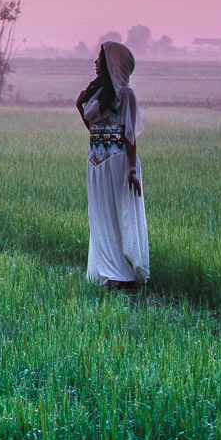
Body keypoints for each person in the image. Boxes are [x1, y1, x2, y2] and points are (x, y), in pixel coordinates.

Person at [78, 40, 148, 289]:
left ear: (111, 63)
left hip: (117, 162)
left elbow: (129, 135)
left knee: (118, 217)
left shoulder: (126, 95)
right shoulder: (99, 93)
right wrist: (80, 103)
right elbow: (93, 128)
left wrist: (132, 170)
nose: (96, 62)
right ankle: (106, 271)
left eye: (100, 58)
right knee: (100, 217)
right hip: (96, 162)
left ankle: (121, 275)